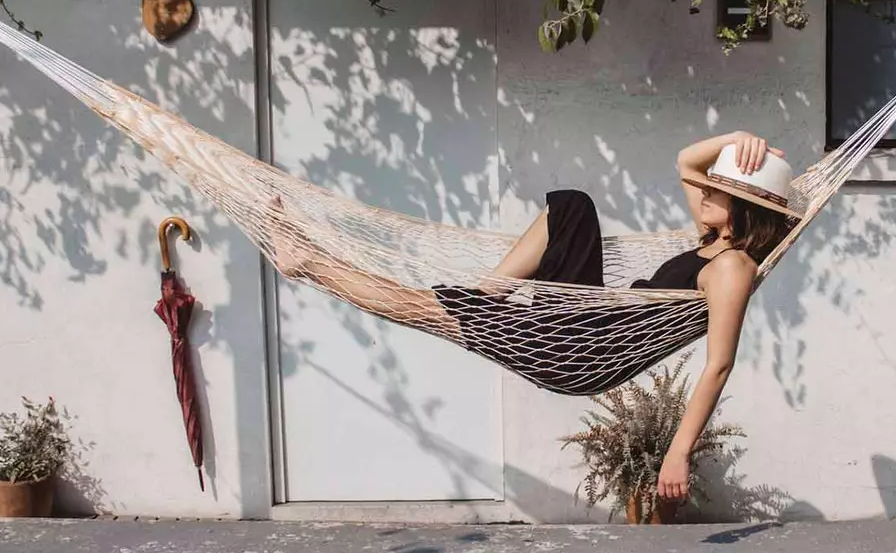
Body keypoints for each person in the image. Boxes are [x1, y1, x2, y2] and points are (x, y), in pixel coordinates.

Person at [269, 130, 797, 503]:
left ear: (748, 208)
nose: (704, 189)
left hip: (585, 349)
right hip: (588, 323)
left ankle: (309, 262)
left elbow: (718, 366)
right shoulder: (713, 241)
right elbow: (686, 160)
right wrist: (737, 139)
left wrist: (677, 453)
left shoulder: (733, 268)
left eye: (720, 189)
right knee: (571, 208)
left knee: (426, 307)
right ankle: (489, 294)